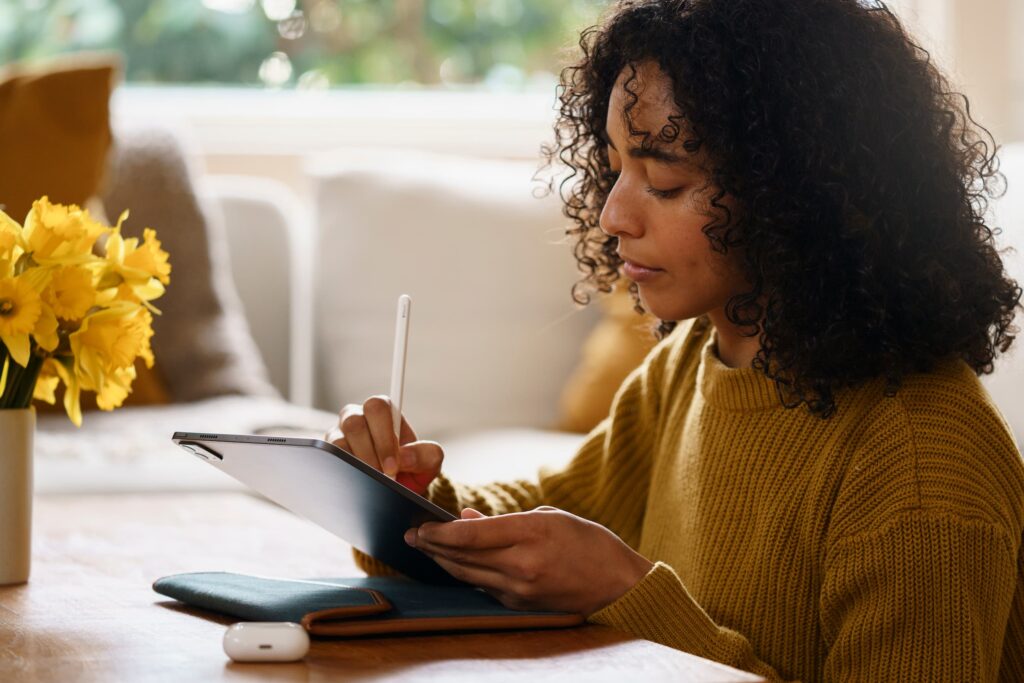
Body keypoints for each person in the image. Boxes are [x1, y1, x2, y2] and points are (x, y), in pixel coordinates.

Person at [326, 0, 1024, 679]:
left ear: (799, 194)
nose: (611, 213)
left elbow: (612, 583)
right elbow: (550, 514)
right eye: (615, 164)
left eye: (662, 177)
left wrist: (627, 593)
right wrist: (406, 498)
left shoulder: (920, 463)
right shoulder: (698, 359)